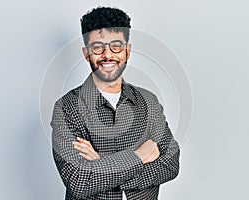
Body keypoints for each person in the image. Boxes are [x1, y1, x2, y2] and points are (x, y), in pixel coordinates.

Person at [51, 6, 180, 200]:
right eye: (98, 47)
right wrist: (139, 156)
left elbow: (170, 165)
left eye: (116, 46)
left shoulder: (148, 101)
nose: (107, 55)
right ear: (87, 53)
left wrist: (101, 162)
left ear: (127, 51)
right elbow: (79, 181)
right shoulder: (67, 108)